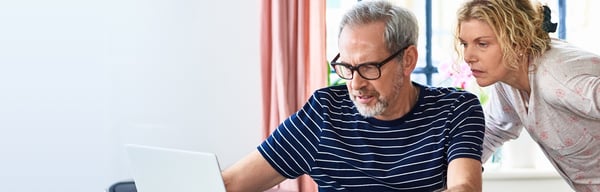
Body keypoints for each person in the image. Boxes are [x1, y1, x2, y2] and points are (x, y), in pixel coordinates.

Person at [222, 1, 485, 191]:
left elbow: (465, 187)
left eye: (369, 67)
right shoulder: (324, 112)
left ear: (408, 60)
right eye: (347, 67)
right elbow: (233, 183)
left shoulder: (455, 109)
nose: (356, 84)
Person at [455, 0, 600, 191]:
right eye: (464, 44)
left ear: (519, 41)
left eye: (482, 44)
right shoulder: (508, 82)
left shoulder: (556, 78)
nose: (468, 56)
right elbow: (492, 131)